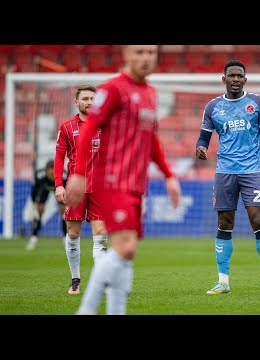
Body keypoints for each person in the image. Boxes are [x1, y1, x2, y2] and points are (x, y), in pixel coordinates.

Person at [66, 45, 181, 315]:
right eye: (139, 52)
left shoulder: (150, 93)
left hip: (135, 185)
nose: (146, 58)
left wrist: (169, 175)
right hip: (111, 181)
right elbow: (89, 129)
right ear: (127, 54)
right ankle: (86, 309)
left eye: (151, 52)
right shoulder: (113, 89)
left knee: (127, 255)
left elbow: (151, 139)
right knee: (125, 249)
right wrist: (79, 174)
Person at [195, 59, 260, 296]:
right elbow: (203, 137)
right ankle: (223, 282)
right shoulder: (213, 107)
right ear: (224, 79)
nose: (236, 79)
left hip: (252, 171)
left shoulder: (257, 103)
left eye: (240, 76)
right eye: (232, 76)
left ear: (245, 79)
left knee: (258, 220)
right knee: (224, 224)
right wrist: (200, 147)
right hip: (224, 171)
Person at [54, 85, 108, 295]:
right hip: (75, 188)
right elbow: (59, 158)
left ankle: (101, 281)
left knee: (101, 234)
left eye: (93, 98)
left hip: (100, 189)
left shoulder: (106, 125)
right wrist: (59, 184)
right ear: (77, 102)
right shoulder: (67, 127)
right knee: (73, 233)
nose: (89, 102)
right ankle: (75, 279)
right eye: (85, 98)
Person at [26, 159, 67, 250]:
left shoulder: (64, 176)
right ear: (46, 171)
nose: (52, 176)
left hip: (60, 187)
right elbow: (35, 190)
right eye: (50, 174)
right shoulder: (40, 176)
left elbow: (67, 190)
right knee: (39, 212)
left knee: (64, 212)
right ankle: (33, 238)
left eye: (54, 174)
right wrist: (34, 203)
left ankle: (66, 239)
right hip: (44, 189)